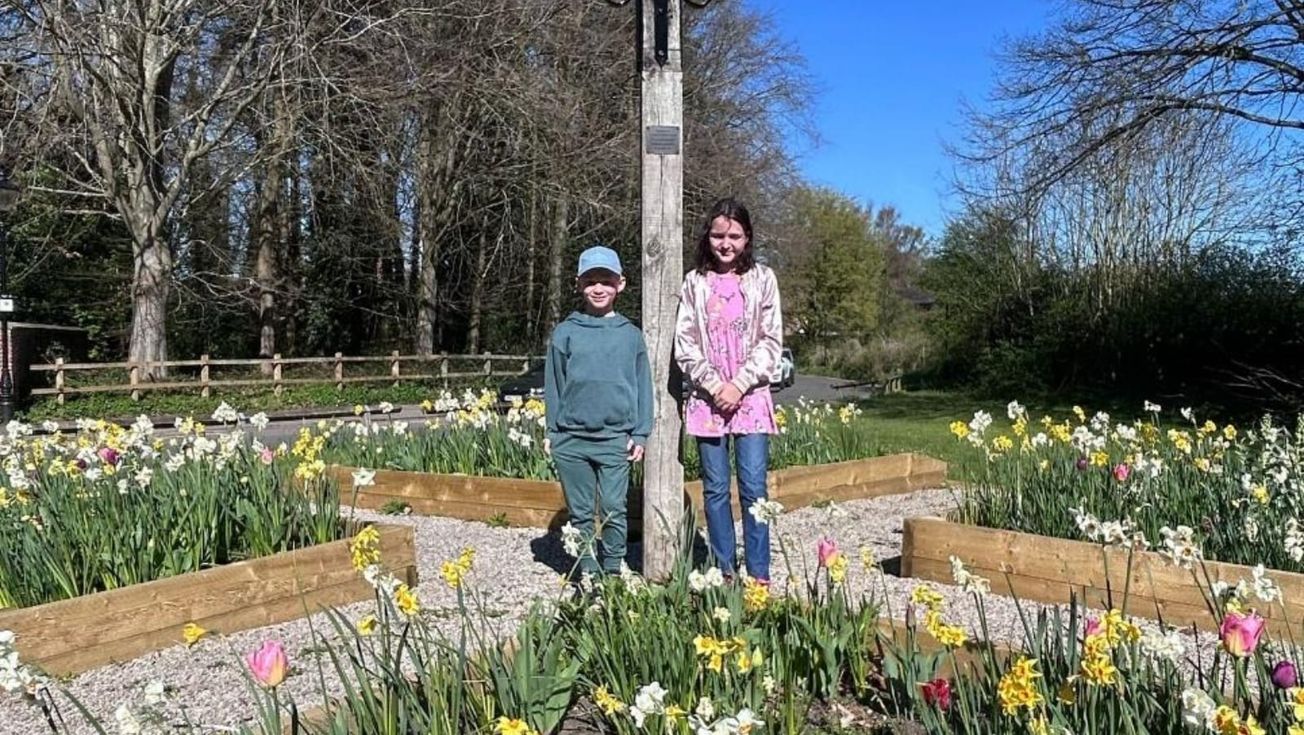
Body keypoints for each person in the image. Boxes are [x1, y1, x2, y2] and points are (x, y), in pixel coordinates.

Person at [675, 197, 782, 584]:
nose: (726, 244)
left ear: (747, 237)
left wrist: (738, 384)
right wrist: (715, 384)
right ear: (708, 237)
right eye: (719, 235)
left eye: (734, 236)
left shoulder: (763, 279)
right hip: (708, 400)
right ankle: (725, 571)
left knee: (754, 488)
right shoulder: (694, 283)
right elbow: (684, 344)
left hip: (750, 397)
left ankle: (758, 576)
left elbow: (771, 341)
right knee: (715, 490)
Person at [544, 245, 653, 576]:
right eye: (591, 281)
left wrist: (640, 432)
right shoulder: (565, 333)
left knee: (613, 509)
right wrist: (553, 433)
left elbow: (642, 385)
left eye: (606, 280)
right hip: (571, 441)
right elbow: (555, 386)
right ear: (579, 285)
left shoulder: (631, 335)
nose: (598, 288)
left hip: (614, 440)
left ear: (620, 284)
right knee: (579, 512)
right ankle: (588, 574)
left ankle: (613, 571)